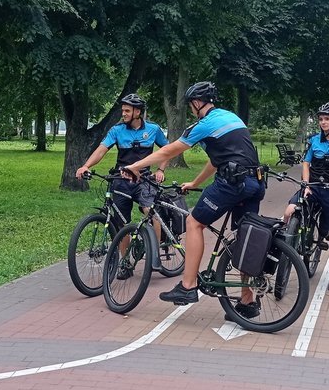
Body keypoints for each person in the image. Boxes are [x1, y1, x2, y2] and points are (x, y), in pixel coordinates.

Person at [122, 81, 266, 317]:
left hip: (232, 183)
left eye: (191, 104)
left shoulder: (204, 124)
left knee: (194, 222)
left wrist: (135, 166)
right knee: (244, 237)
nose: (191, 109)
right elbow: (216, 160)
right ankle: (247, 302)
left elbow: (169, 150)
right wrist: (196, 183)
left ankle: (188, 286)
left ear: (197, 103)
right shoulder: (231, 117)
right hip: (255, 183)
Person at [75, 94, 169, 264]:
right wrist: (86, 165)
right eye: (123, 110)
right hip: (121, 181)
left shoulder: (153, 129)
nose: (123, 113)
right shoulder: (117, 130)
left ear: (137, 112)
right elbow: (101, 150)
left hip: (143, 180)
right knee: (121, 223)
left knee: (151, 212)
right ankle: (125, 263)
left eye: (127, 110)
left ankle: (155, 257)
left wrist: (160, 169)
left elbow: (167, 150)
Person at [283, 102, 329, 291]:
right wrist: (305, 184)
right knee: (289, 211)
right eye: (321, 119)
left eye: (327, 119)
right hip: (312, 186)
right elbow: (306, 163)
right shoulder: (313, 140)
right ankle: (286, 245)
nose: (323, 122)